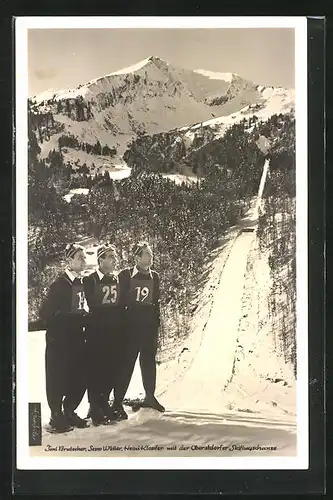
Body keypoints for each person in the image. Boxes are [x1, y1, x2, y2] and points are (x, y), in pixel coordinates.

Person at [39, 243, 89, 433]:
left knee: (78, 376)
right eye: (80, 257)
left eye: (84, 257)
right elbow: (45, 313)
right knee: (57, 378)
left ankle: (69, 410)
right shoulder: (59, 284)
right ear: (69, 261)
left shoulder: (80, 282)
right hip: (59, 340)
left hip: (76, 338)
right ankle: (56, 415)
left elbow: (77, 309)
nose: (84, 261)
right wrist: (65, 319)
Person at [113, 241, 165, 415]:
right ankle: (117, 401)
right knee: (125, 364)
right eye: (147, 254)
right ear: (137, 257)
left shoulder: (155, 276)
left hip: (148, 328)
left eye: (151, 253)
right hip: (130, 329)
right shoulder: (125, 275)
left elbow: (155, 303)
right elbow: (118, 303)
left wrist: (156, 324)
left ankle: (150, 396)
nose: (151, 257)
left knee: (148, 362)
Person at [83, 243, 124, 425]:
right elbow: (93, 304)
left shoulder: (116, 279)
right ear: (101, 260)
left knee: (111, 369)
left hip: (113, 332)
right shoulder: (90, 280)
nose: (114, 261)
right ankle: (94, 407)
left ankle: (104, 403)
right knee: (96, 370)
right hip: (97, 332)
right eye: (110, 257)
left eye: (114, 257)